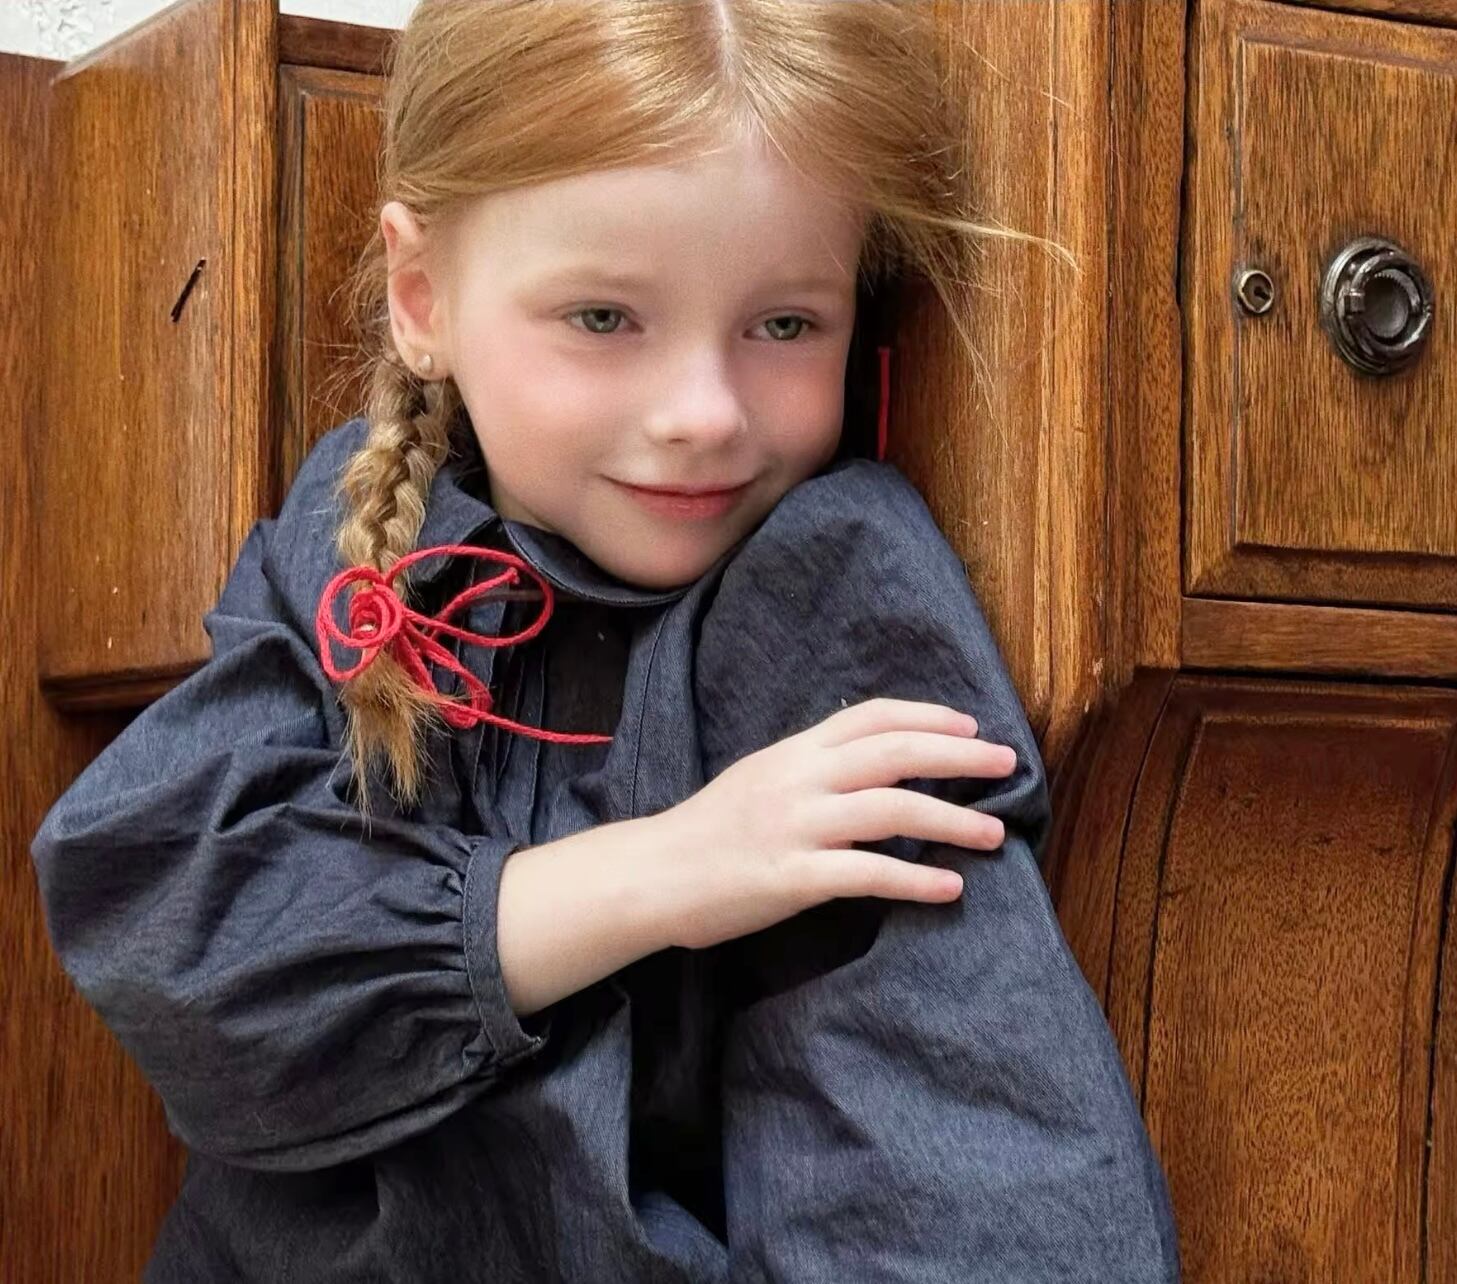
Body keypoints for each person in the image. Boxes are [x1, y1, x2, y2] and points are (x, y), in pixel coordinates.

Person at [31, 1, 1181, 1280]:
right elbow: (175, 945)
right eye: (601, 318)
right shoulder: (348, 540)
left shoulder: (828, 594)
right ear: (422, 296)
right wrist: (653, 875)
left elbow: (965, 1166)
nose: (702, 415)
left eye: (784, 325)